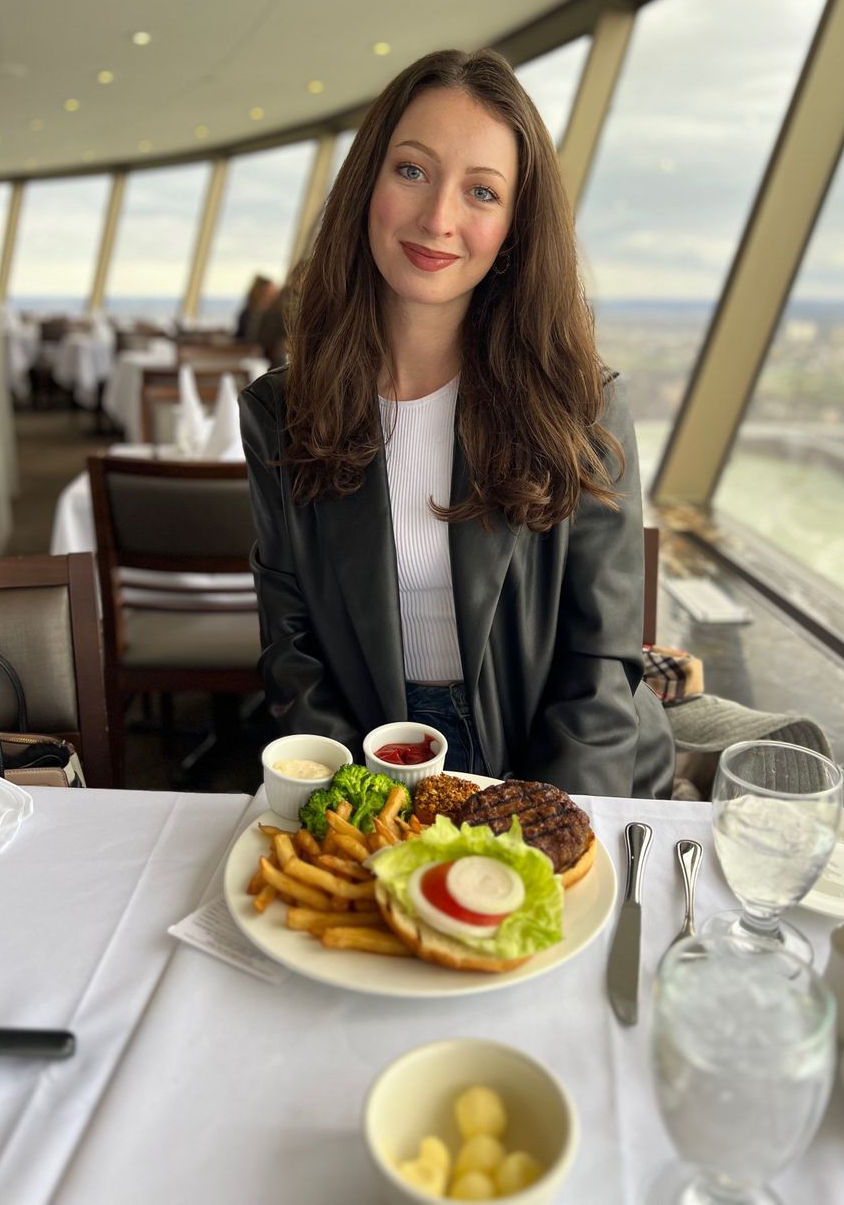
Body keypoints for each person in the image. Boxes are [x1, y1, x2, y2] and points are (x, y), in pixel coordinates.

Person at [240, 48, 674, 798]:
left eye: (481, 192)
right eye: (411, 170)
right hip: (374, 760)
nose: (438, 219)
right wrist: (364, 810)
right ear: (367, 182)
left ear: (513, 228)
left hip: (562, 768)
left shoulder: (582, 405)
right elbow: (294, 654)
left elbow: (598, 668)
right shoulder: (280, 411)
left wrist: (542, 827)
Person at [234, 274, 278, 343]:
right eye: (270, 293)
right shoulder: (248, 313)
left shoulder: (272, 314)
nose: (274, 296)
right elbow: (242, 336)